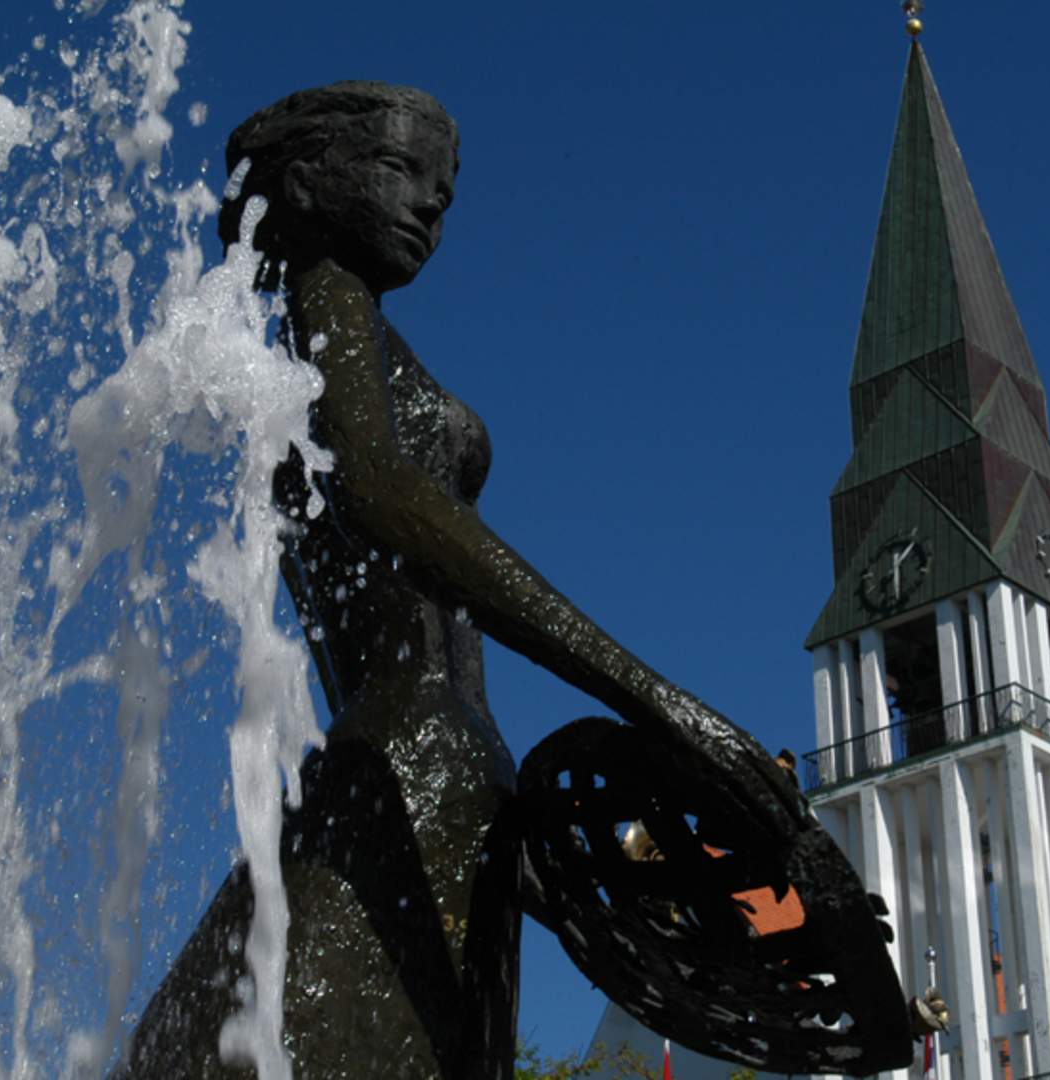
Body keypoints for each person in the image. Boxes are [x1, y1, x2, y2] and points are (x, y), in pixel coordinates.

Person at [118, 81, 803, 1080]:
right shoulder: (324, 321)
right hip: (403, 768)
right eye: (401, 172)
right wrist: (656, 701)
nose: (430, 209)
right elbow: (387, 498)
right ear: (307, 183)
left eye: (444, 193)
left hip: (451, 787)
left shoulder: (365, 344)